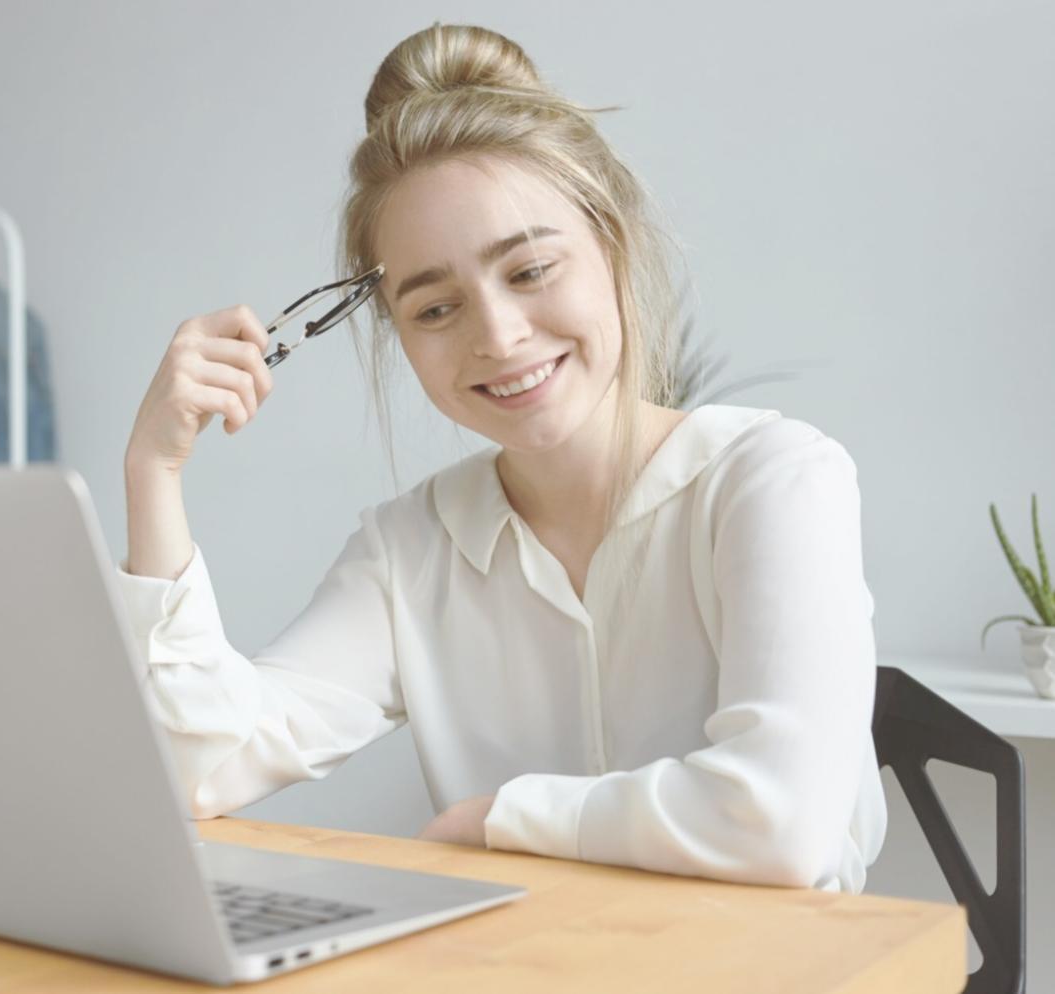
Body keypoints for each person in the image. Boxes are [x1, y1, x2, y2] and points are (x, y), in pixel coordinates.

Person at [117, 22, 885, 892]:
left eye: (528, 272)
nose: (498, 336)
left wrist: (499, 819)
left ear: (613, 244)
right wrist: (155, 472)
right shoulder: (411, 550)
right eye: (435, 309)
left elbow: (779, 822)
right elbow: (196, 770)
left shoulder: (772, 480)